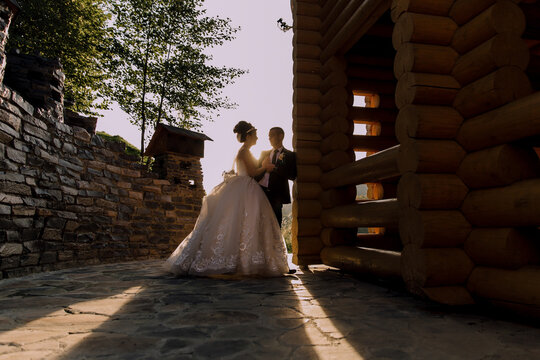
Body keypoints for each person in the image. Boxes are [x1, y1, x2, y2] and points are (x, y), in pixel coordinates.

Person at [164, 121, 290, 277]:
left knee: (240, 223)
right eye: (255, 135)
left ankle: (240, 259)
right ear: (249, 136)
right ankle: (239, 261)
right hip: (246, 188)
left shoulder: (244, 151)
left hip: (244, 187)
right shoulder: (244, 151)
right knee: (243, 222)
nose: (257, 138)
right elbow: (252, 172)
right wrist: (265, 167)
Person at [256, 127, 297, 228]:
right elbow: (256, 174)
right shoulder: (263, 153)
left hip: (277, 197)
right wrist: (264, 167)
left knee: (275, 226)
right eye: (269, 136)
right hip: (260, 192)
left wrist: (274, 168)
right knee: (258, 224)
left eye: (272, 135)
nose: (269, 138)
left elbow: (292, 175)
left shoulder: (290, 155)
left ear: (281, 136)